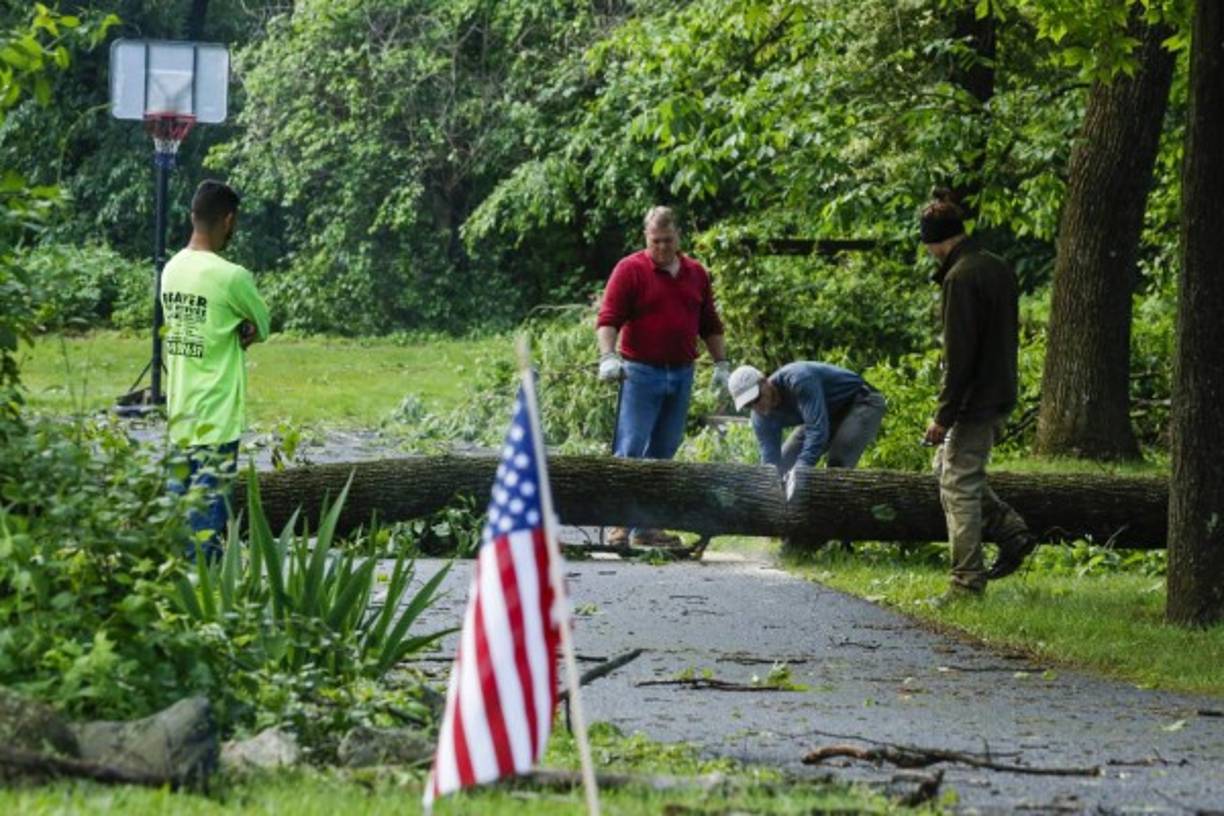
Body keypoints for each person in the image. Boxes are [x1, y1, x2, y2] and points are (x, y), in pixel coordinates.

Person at [920, 189, 1036, 602]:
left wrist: (943, 416)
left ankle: (966, 582)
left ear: (938, 241)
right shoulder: (996, 266)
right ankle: (1010, 530)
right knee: (944, 467)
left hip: (975, 397)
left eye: (929, 245)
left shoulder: (960, 277)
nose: (930, 253)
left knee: (958, 485)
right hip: (999, 386)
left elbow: (960, 355)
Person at [596, 205, 730, 548]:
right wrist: (608, 357)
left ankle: (646, 526)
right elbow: (609, 318)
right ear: (646, 237)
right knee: (630, 447)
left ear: (678, 237)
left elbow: (709, 323)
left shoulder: (697, 273)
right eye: (655, 241)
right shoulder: (630, 270)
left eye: (667, 241)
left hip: (681, 373)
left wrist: (721, 364)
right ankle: (619, 525)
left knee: (664, 450)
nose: (661, 248)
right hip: (640, 372)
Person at [163, 179, 270, 561]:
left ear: (193, 216)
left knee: (177, 519)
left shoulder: (171, 270)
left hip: (180, 413)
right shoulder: (232, 276)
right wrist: (247, 328)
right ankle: (205, 602)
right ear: (228, 220)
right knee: (207, 528)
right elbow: (263, 322)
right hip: (217, 416)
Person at [728, 362, 886, 483]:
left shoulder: (798, 379)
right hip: (824, 413)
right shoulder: (760, 418)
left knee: (837, 464)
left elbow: (817, 432)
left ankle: (834, 518)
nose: (756, 406)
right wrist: (768, 484)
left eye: (756, 398)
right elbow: (770, 460)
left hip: (861, 401)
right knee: (784, 463)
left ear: (764, 381)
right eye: (748, 405)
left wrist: (800, 471)